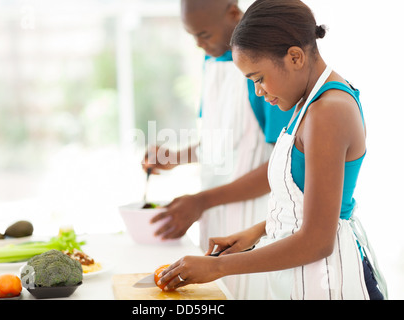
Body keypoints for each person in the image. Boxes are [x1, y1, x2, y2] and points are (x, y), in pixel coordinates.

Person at [157, 0, 387, 300]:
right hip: (306, 277)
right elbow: (311, 204)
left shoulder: (329, 112)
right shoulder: (307, 102)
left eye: (259, 78)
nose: (258, 92)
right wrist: (256, 232)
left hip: (331, 280)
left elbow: (319, 239)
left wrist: (218, 268)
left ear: (295, 57)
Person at [142, 0, 293, 299]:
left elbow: (282, 163)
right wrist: (174, 157)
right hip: (215, 218)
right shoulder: (211, 64)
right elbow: (221, 143)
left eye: (204, 34)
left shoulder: (262, 71)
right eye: (192, 36)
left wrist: (202, 201)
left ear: (233, 14)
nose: (198, 44)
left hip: (255, 223)